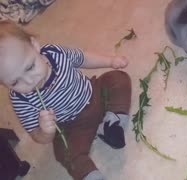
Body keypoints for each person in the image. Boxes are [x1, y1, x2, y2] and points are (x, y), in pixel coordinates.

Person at [0, 20, 132, 180]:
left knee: (117, 79)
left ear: (35, 46)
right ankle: (90, 174)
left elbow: (83, 58)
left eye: (29, 67)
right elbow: (36, 135)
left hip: (93, 94)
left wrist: (110, 61)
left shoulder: (56, 54)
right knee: (64, 152)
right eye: (15, 82)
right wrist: (45, 131)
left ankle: (112, 122)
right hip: (71, 127)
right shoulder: (20, 100)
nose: (29, 81)